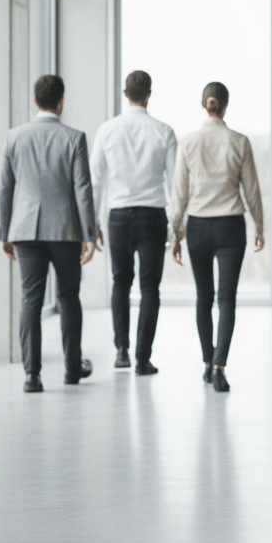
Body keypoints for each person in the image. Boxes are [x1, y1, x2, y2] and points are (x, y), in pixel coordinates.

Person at [0, 75, 98, 392]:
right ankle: (72, 370)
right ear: (61, 101)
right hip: (65, 231)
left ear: (35, 101)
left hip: (25, 230)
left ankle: (32, 375)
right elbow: (83, 189)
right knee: (69, 298)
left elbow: (4, 189)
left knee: (30, 300)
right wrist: (89, 234)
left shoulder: (14, 137)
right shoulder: (74, 138)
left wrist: (5, 233)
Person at [169, 81, 264, 393]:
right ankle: (219, 367)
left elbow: (179, 193)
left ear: (204, 104)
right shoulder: (239, 141)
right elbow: (251, 189)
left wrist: (175, 232)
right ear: (225, 105)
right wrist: (259, 226)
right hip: (230, 226)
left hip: (197, 226)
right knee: (226, 299)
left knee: (203, 297)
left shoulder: (188, 142)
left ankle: (207, 362)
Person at [90, 69, 177, 375]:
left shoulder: (107, 130)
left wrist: (92, 223)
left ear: (125, 94)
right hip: (153, 216)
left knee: (120, 282)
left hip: (118, 216)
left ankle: (121, 352)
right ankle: (143, 359)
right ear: (149, 95)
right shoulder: (164, 131)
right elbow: (174, 184)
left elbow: (95, 181)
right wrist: (175, 225)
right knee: (150, 288)